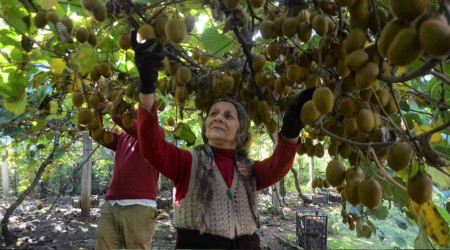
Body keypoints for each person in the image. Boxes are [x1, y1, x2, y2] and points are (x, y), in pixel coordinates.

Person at [131, 31, 315, 249]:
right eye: (213, 114)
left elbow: (277, 168)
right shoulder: (188, 163)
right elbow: (152, 147)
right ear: (206, 127)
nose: (218, 117)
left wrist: (291, 131)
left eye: (228, 116)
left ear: (241, 131)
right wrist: (147, 87)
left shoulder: (248, 170)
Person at [91, 110, 160, 249]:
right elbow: (98, 134)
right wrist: (95, 112)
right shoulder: (123, 137)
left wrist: (112, 109)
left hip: (140, 206)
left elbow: (137, 129)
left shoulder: (157, 134)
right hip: (111, 205)